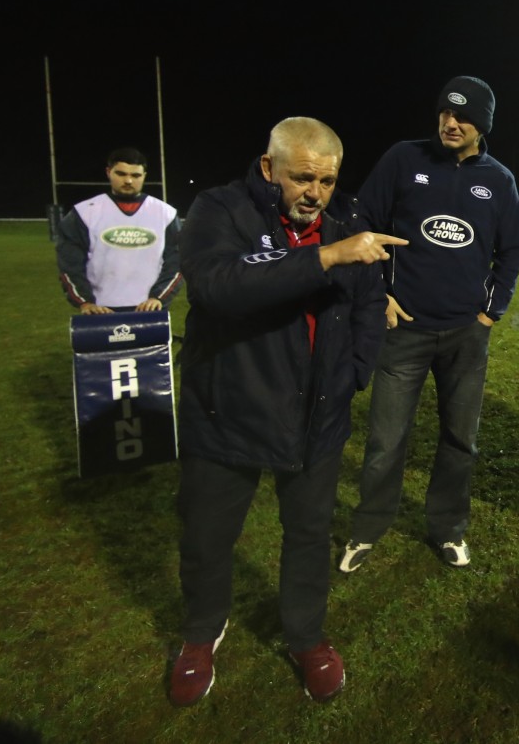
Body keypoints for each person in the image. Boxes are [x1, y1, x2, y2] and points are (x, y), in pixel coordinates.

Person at [168, 117, 406, 706]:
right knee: (207, 536)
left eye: (326, 181)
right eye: (302, 178)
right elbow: (216, 286)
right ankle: (201, 634)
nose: (315, 193)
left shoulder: (347, 221)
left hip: (316, 414)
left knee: (308, 534)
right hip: (227, 411)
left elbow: (369, 305)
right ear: (269, 167)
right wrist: (324, 258)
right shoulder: (220, 210)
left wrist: (353, 374)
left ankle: (305, 637)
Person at [339, 76, 519, 572]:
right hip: (403, 331)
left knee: (460, 441)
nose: (450, 122)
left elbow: (511, 252)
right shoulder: (404, 158)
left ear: (482, 125)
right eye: (445, 112)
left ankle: (448, 528)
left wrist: (489, 312)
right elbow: (362, 225)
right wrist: (378, 294)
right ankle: (368, 528)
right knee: (384, 441)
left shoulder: (499, 180)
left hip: (466, 335)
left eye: (463, 116)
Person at [56, 147, 183, 313]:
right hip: (100, 310)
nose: (128, 180)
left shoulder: (165, 214)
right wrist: (85, 302)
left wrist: (158, 297)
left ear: (144, 176)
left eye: (135, 175)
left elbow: (177, 262)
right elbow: (70, 265)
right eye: (121, 174)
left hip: (150, 310)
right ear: (108, 172)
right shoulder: (84, 212)